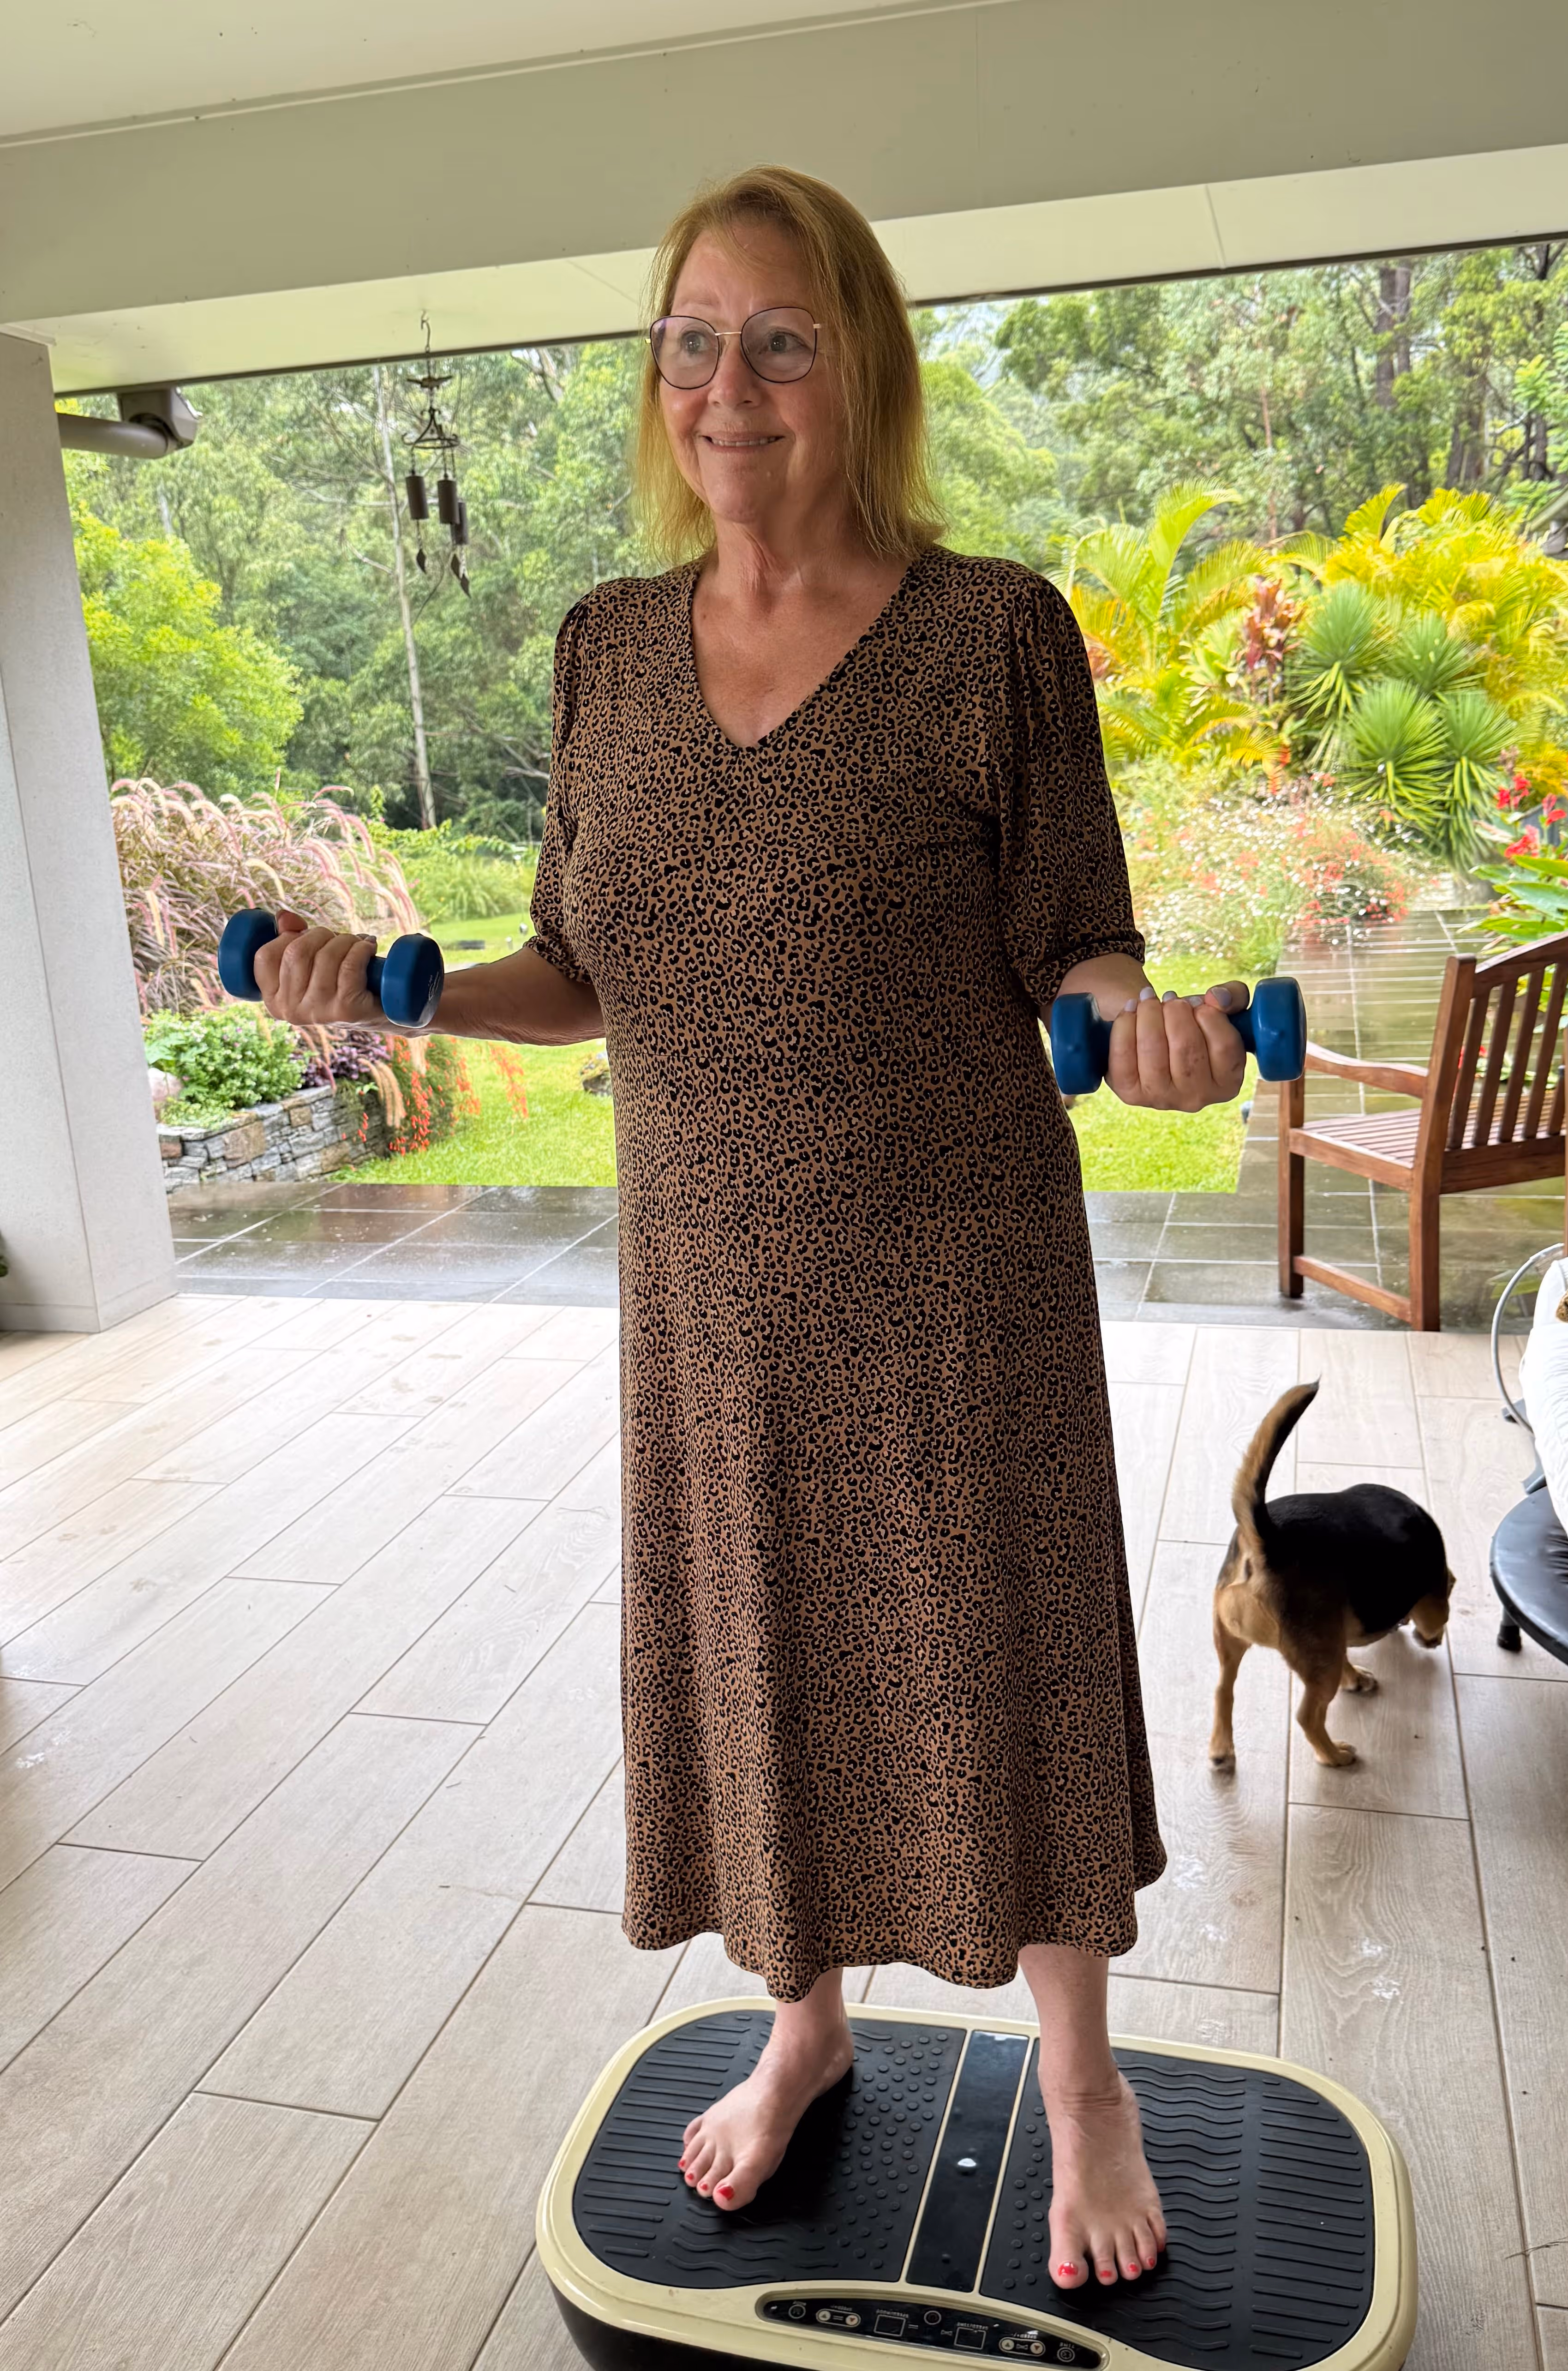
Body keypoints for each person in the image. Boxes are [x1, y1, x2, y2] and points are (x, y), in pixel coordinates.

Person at [258, 164, 1252, 2294]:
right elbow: (578, 964)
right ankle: (805, 2021)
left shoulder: (994, 631)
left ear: (860, 365)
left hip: (952, 1271)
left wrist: (1137, 1035)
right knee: (770, 1655)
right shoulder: (604, 645)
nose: (731, 383)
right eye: (695, 337)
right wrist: (395, 980)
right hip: (710, 1286)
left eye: (783, 336)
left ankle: (1084, 2077)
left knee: (1009, 1648)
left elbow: (1077, 948)